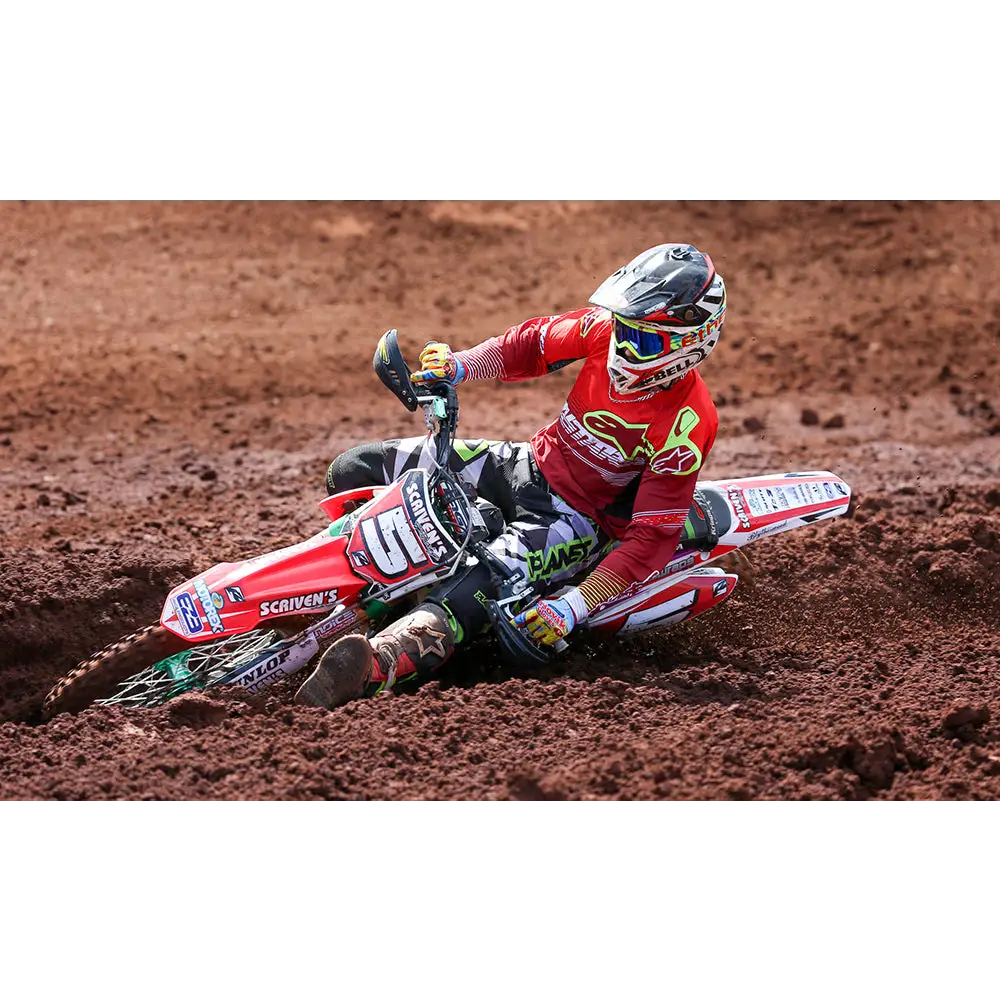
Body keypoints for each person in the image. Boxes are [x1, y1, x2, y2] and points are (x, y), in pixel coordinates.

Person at [294, 243, 727, 710]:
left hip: (575, 521)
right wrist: (460, 365)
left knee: (478, 584)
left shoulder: (687, 422)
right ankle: (343, 589)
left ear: (689, 343)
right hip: (524, 465)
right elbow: (532, 345)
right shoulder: (603, 330)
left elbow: (651, 537)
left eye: (641, 339)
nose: (622, 344)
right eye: (623, 327)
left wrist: (575, 604)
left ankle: (374, 665)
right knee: (354, 470)